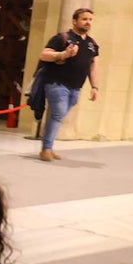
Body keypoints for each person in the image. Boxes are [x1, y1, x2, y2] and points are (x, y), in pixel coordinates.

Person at [37, 8, 100, 161]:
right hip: (57, 83)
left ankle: (48, 147)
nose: (88, 22)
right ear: (74, 21)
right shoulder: (62, 38)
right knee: (58, 113)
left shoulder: (92, 44)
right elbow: (44, 54)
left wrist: (95, 87)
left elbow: (93, 66)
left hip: (76, 86)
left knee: (59, 115)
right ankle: (46, 149)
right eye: (84, 19)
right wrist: (63, 54)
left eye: (90, 19)